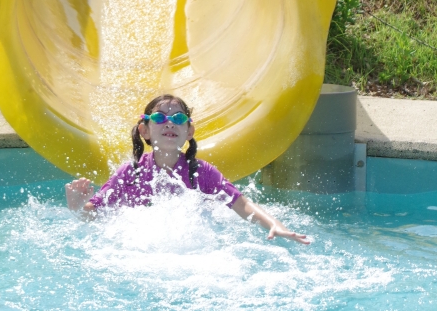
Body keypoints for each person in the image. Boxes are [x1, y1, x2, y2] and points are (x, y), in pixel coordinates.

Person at [65, 94, 310, 244]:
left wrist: (274, 225)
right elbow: (92, 214)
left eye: (179, 119)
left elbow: (241, 203)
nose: (170, 122)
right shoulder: (130, 173)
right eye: (160, 118)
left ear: (189, 131)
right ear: (145, 130)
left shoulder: (200, 172)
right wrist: (77, 205)